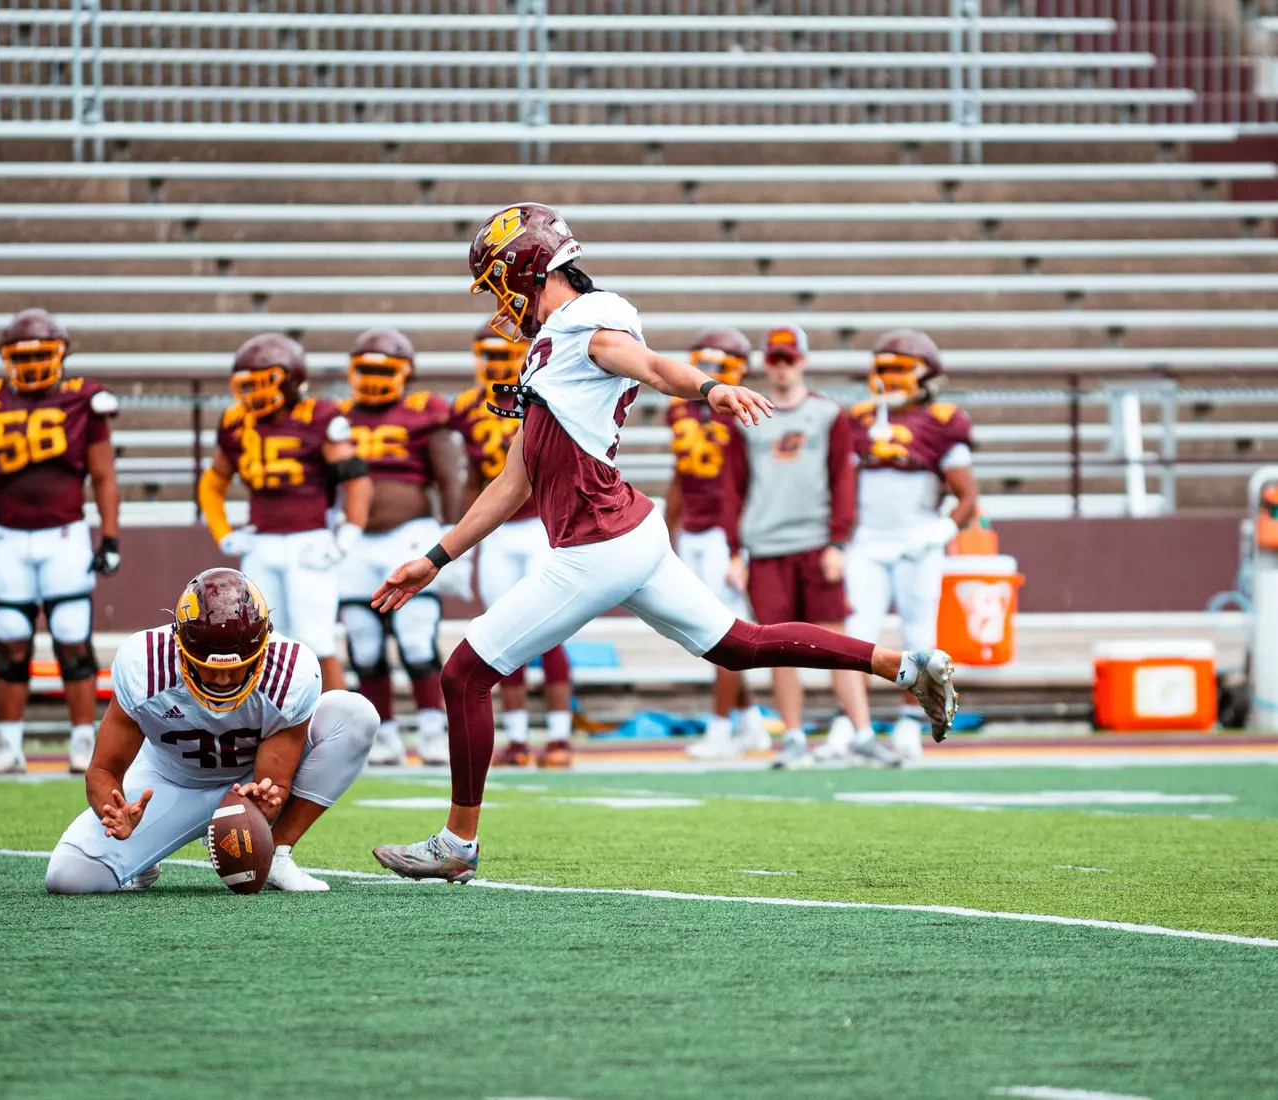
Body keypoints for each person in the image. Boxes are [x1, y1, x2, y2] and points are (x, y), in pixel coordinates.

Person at [369, 203, 958, 882]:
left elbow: (646, 364)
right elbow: (513, 483)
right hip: (628, 533)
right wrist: (434, 560)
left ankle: (458, 843)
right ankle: (906, 667)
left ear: (525, 270)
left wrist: (709, 388)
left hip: (597, 545)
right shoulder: (556, 342)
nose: (499, 305)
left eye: (498, 285)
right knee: (740, 645)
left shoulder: (585, 325)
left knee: (465, 675)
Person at [44, 567, 377, 895]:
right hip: (167, 783)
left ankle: (276, 853)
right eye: (206, 666)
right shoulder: (144, 664)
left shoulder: (290, 671)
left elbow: (275, 782)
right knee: (69, 877)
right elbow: (102, 770)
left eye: (237, 667)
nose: (222, 679)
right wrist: (115, 811)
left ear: (262, 649)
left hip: (245, 779)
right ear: (180, 646)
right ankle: (146, 858)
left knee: (354, 714)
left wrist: (267, 801)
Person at [0, 309, 122, 776]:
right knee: (10, 640)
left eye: (39, 356)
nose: (30, 366)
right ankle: (8, 743)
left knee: (72, 638)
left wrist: (110, 535)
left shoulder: (83, 399)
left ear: (60, 355)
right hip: (8, 536)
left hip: (64, 535)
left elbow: (104, 475)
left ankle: (84, 741)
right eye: (21, 357)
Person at [719, 326, 877, 769]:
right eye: (776, 359)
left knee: (838, 640)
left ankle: (863, 732)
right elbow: (732, 488)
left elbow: (843, 480)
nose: (783, 367)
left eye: (789, 358)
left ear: (803, 361)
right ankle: (792, 736)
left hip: (816, 543)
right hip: (766, 547)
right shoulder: (747, 415)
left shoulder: (827, 414)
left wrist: (838, 541)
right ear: (765, 363)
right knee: (779, 646)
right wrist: (734, 551)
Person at [832, 330, 980, 761]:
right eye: (884, 368)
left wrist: (941, 531)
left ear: (926, 375)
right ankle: (850, 720)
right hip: (867, 541)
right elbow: (844, 486)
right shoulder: (857, 418)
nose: (890, 378)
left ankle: (911, 721)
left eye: (900, 369)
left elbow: (967, 495)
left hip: (918, 540)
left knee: (919, 634)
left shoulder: (944, 420)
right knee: (857, 635)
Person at [199, 333, 373, 691]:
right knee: (262, 642)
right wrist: (223, 532)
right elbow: (212, 482)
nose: (254, 393)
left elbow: (357, 479)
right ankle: (272, 718)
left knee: (317, 643)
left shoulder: (319, 416)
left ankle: (336, 718)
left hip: (310, 543)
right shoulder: (235, 421)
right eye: (249, 385)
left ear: (291, 380)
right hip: (261, 544)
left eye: (264, 383)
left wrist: (347, 535)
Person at [450, 324, 576, 768]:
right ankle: (519, 739)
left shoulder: (545, 389)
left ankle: (559, 737)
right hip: (498, 531)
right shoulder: (467, 407)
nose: (495, 362)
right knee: (505, 631)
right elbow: (472, 477)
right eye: (487, 354)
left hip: (542, 524)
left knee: (551, 630)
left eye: (502, 353)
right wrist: (464, 536)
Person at [335, 328, 463, 766]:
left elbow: (449, 477)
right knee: (364, 643)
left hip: (409, 535)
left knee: (416, 640)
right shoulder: (337, 418)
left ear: (405, 373)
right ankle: (383, 737)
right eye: (365, 370)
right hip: (354, 538)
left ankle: (432, 732)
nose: (372, 380)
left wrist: (451, 536)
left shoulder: (424, 411)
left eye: (382, 370)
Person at [662, 327, 768, 761]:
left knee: (724, 634)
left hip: (728, 534)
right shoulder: (681, 411)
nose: (706, 371)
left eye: (716, 364)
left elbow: (752, 486)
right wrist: (667, 529)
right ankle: (752, 721)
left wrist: (741, 548)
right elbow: (680, 474)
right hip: (694, 530)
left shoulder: (746, 414)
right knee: (710, 631)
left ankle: (722, 727)